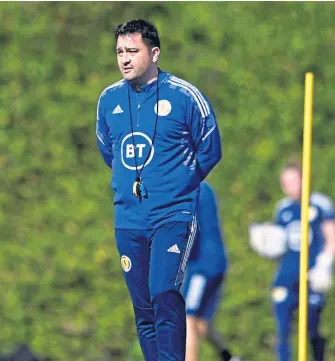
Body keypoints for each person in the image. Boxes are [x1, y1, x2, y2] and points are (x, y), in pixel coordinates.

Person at [96, 19, 222, 361]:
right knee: (142, 307)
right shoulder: (108, 100)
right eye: (120, 52)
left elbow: (211, 149)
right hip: (128, 216)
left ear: (154, 53)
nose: (124, 59)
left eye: (132, 51)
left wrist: (179, 184)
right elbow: (109, 151)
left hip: (172, 215)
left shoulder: (184, 96)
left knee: (164, 292)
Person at [250, 161, 335, 361]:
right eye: (285, 182)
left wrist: (325, 264)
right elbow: (279, 243)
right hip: (286, 277)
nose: (288, 186)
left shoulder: (319, 204)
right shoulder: (282, 207)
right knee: (282, 328)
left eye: (292, 180)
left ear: (303, 179)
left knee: (312, 326)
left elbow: (332, 236)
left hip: (312, 275)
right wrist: (264, 240)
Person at [181, 182, 243, 361]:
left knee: (186, 319)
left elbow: (186, 227)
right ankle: (229, 357)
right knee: (201, 322)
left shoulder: (186, 187)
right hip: (214, 260)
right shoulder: (203, 186)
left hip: (203, 265)